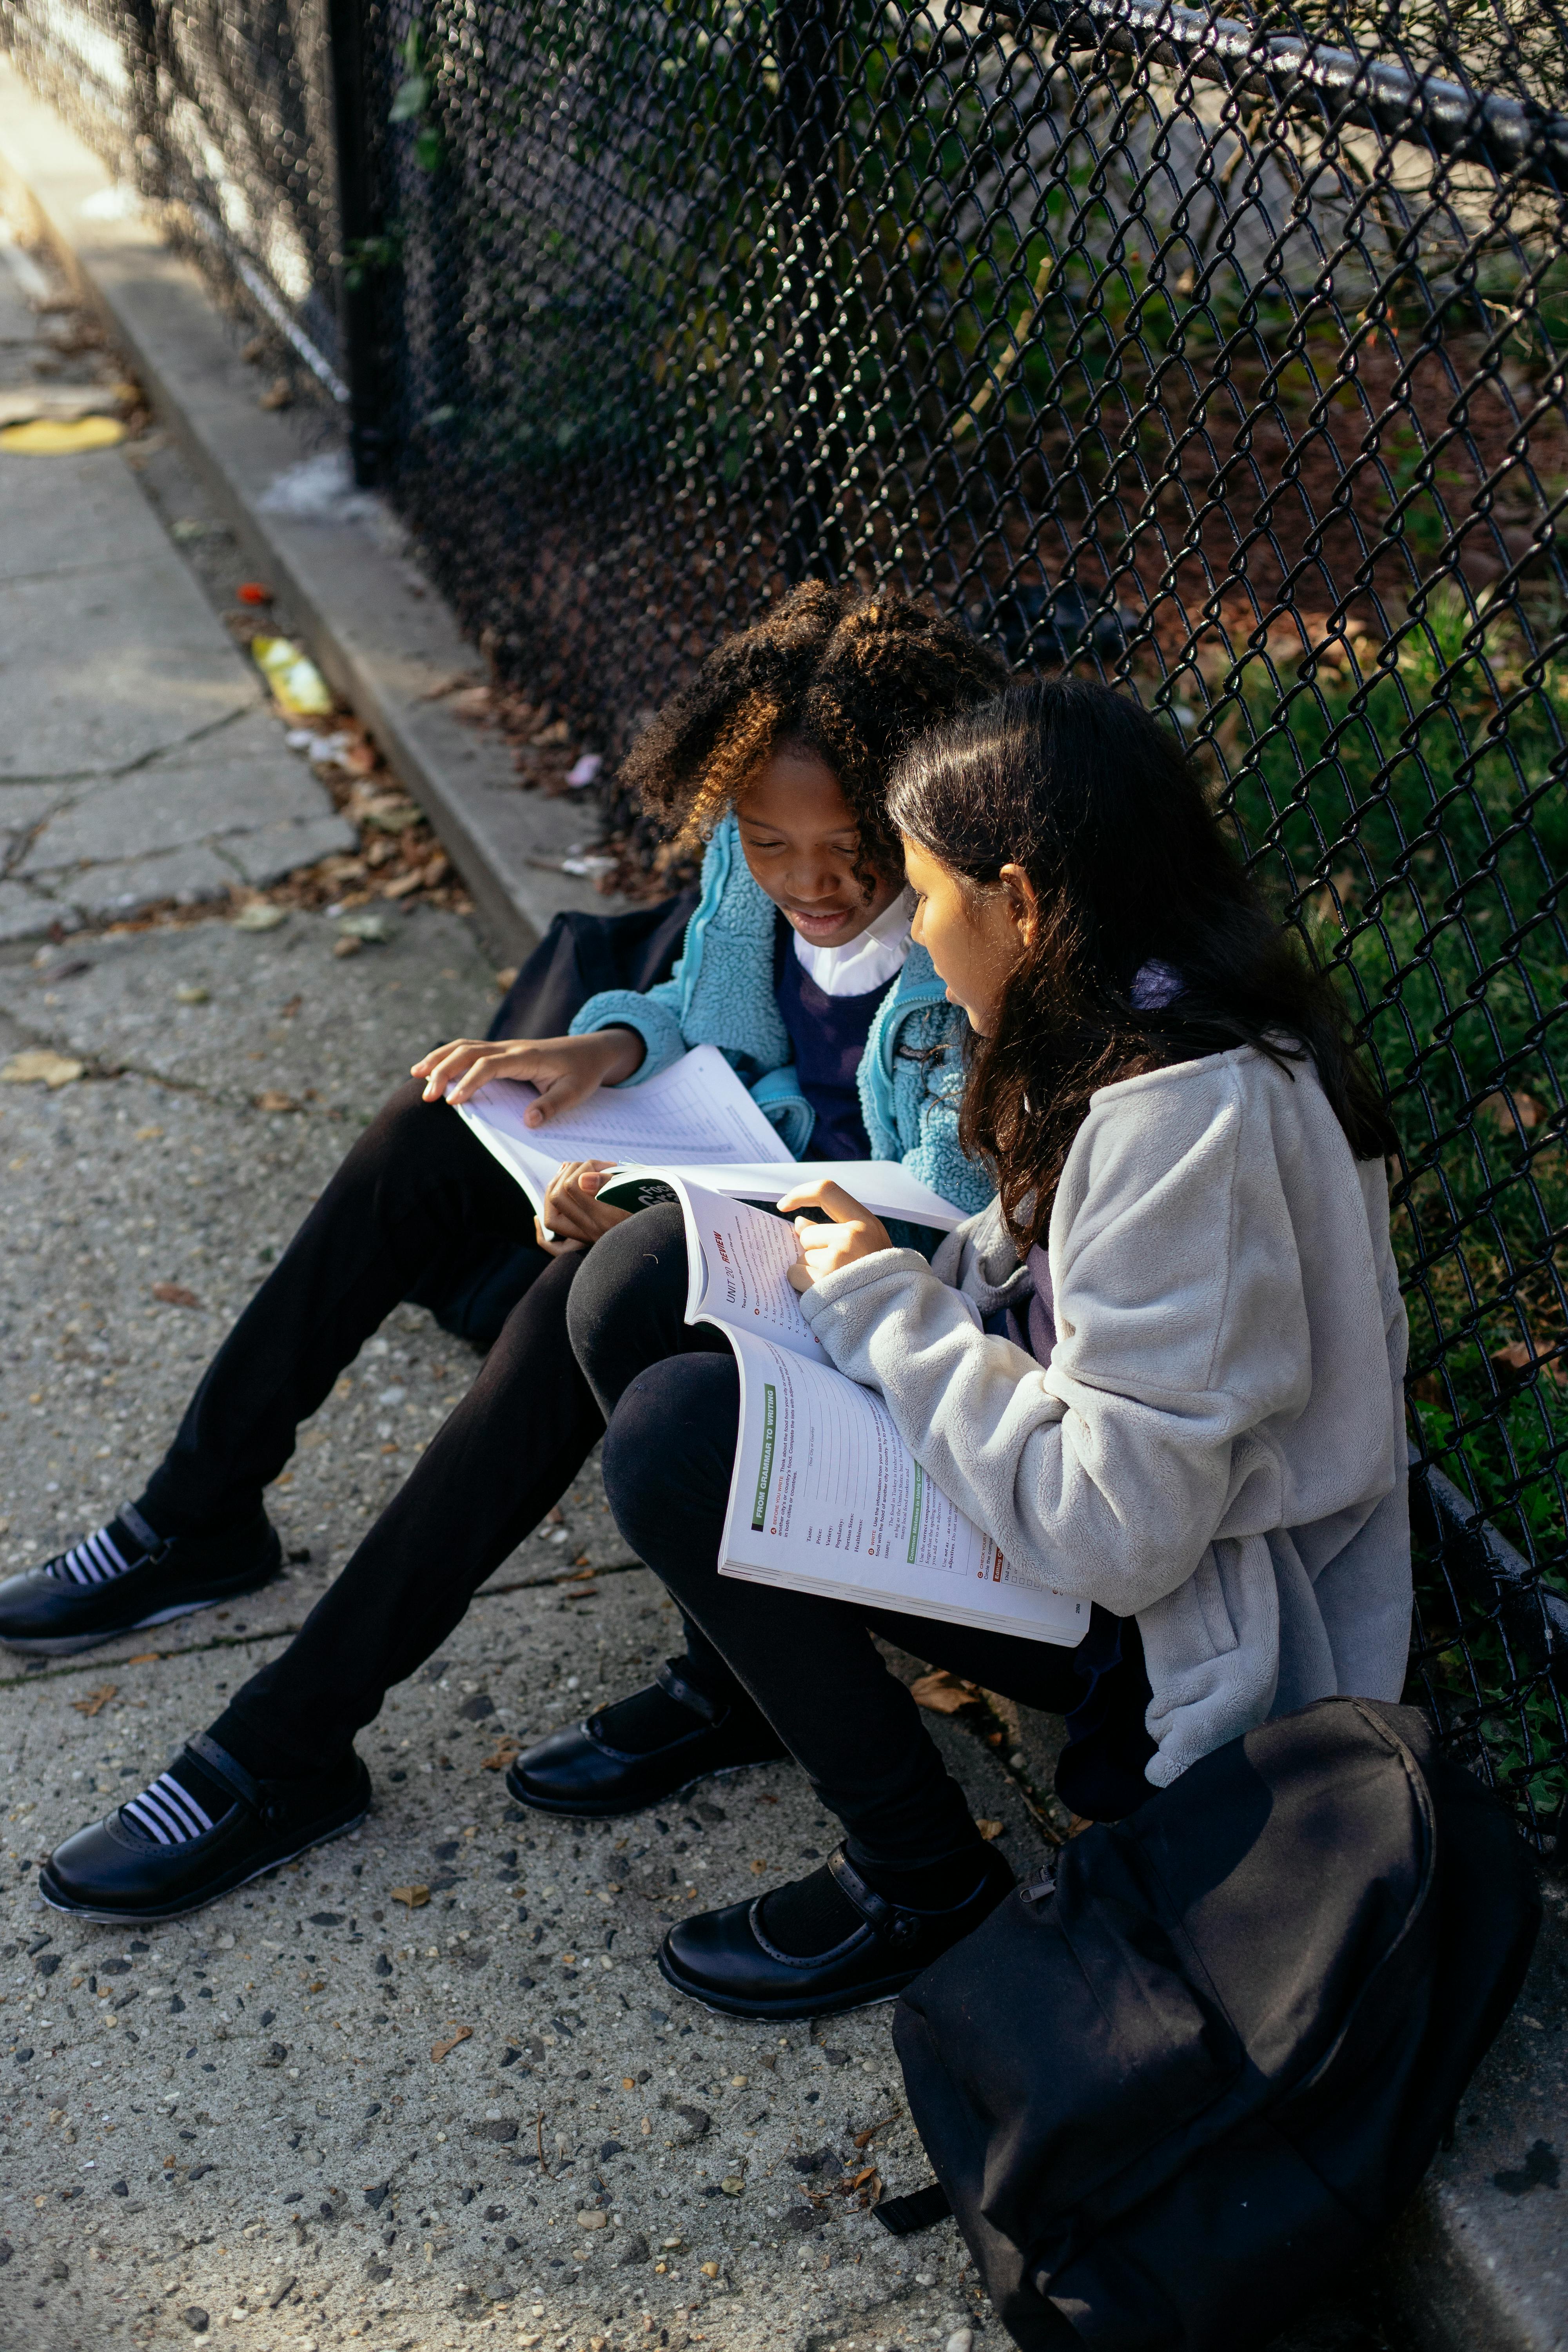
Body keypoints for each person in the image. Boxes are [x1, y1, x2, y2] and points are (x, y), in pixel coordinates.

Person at [30, 584, 1004, 1925]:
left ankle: (282, 1746)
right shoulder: (753, 862)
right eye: (770, 845)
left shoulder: (972, 938)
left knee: (585, 1291)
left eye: (850, 850)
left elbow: (951, 1223)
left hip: (884, 1310)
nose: (812, 885)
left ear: (919, 819)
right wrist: (597, 1052)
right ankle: (196, 1516)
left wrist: (692, 1215)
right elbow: (709, 1018)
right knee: (442, 1119)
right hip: (732, 1195)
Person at [551, 676, 1413, 2018]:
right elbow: (1060, 1315)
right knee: (643, 1282)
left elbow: (1120, 1528)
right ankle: (744, 1684)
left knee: (677, 1440)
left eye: (927, 895)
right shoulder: (1132, 1023)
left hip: (1174, 1639)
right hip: (1097, 1532)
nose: (918, 938)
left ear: (1019, 899)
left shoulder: (1188, 1126)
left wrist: (888, 1308)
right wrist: (899, 1269)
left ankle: (921, 1877)